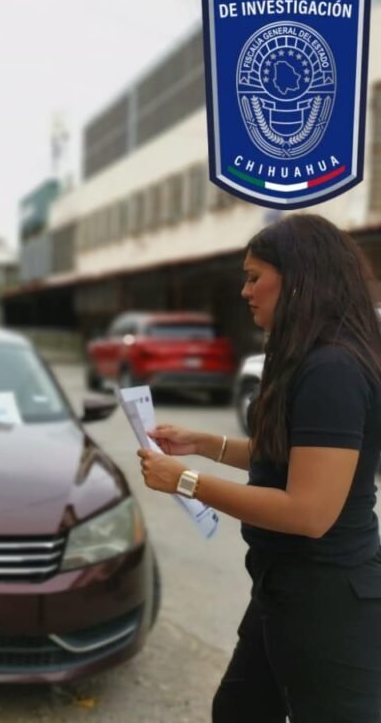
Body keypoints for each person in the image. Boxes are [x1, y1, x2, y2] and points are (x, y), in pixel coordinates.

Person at [137, 213, 381, 722]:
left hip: (327, 600)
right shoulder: (303, 356)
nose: (244, 291)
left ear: (299, 279)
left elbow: (309, 511)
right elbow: (289, 458)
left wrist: (186, 481)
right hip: (282, 585)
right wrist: (202, 444)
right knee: (239, 710)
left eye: (254, 277)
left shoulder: (333, 369)